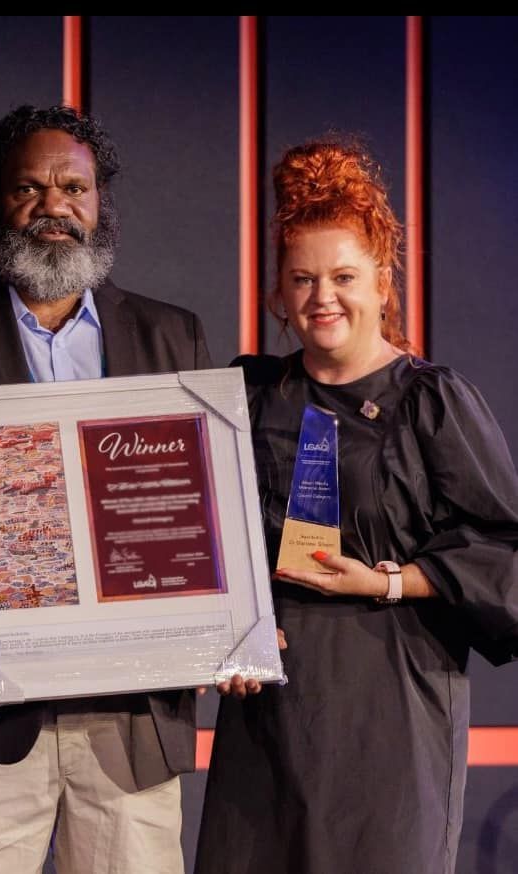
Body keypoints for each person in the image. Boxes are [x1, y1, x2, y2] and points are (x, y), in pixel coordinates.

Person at [0, 104, 240, 874]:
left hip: (130, 718)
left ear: (99, 202)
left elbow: (202, 512)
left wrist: (224, 623)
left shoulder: (171, 334)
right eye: (27, 188)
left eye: (73, 188)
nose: (52, 206)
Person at [194, 138, 518, 874]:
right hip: (269, 717)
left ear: (381, 282)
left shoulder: (431, 401)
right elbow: (201, 536)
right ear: (278, 292)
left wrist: (388, 580)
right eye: (302, 279)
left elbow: (504, 553)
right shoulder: (248, 397)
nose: (322, 298)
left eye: (343, 277)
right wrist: (224, 634)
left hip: (391, 709)